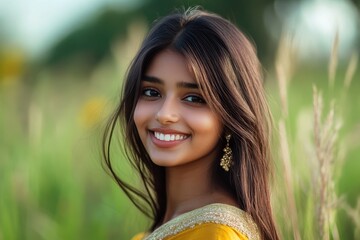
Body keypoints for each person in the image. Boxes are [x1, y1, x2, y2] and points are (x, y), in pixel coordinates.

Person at [102, 7, 279, 240]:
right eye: (151, 92)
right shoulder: (169, 228)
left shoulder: (218, 234)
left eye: (194, 98)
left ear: (230, 116)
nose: (165, 114)